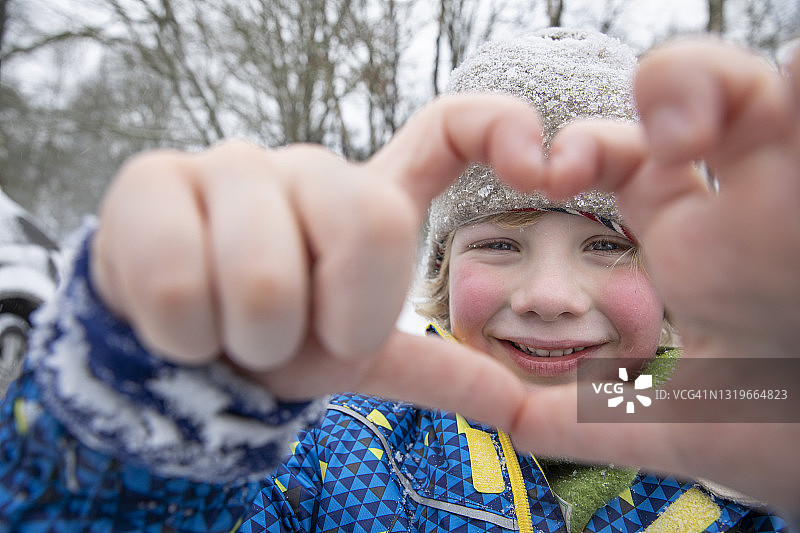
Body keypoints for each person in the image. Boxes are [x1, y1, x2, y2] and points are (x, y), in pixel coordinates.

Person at [0, 27, 796, 532]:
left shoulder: (751, 449)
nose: (550, 294)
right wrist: (154, 409)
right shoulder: (333, 451)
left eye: (607, 245)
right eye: (501, 245)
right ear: (442, 273)